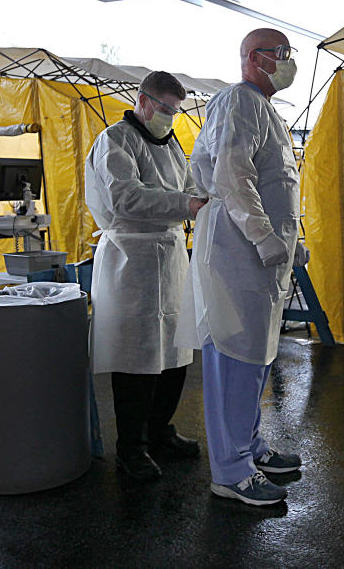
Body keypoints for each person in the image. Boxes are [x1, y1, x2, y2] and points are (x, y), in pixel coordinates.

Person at [176, 28, 309, 507]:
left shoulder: (265, 109)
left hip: (258, 253)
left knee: (254, 352)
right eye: (283, 54)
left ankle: (249, 446)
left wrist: (285, 240)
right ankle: (230, 471)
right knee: (233, 353)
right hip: (238, 249)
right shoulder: (239, 100)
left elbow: (272, 183)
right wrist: (263, 235)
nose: (289, 62)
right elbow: (233, 173)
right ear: (255, 58)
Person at [84, 71, 205, 482]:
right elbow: (126, 197)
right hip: (130, 256)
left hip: (169, 255)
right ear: (143, 100)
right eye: (166, 108)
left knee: (175, 351)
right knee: (135, 357)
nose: (171, 117)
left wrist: (203, 195)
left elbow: (189, 185)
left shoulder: (170, 143)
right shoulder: (115, 140)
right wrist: (186, 203)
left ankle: (159, 432)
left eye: (176, 110)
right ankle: (131, 448)